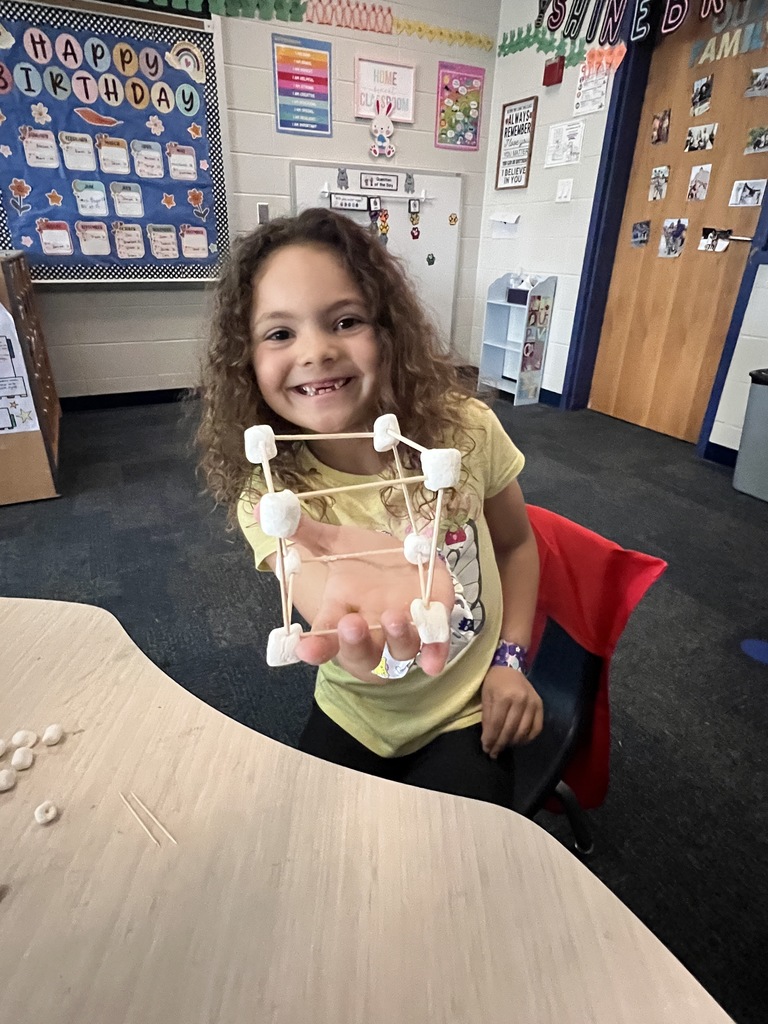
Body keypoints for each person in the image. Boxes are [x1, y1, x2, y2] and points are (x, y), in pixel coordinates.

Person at [196, 208, 542, 811]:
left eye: (346, 321)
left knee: (460, 870)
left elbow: (516, 545)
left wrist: (511, 658)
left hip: (466, 710)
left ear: (387, 333)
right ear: (246, 362)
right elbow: (352, 640)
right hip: (356, 712)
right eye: (280, 333)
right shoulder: (273, 498)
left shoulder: (465, 433)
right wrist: (366, 631)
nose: (317, 351)